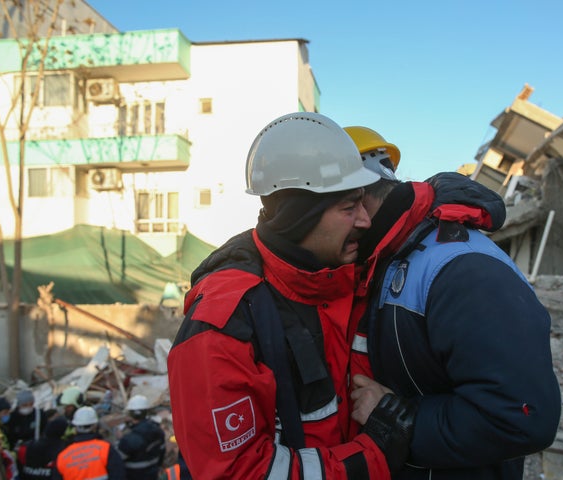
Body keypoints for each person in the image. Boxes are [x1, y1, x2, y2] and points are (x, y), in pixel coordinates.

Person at [167, 112, 417, 480]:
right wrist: (373, 454)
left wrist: (438, 202)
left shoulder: (339, 273)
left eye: (362, 203)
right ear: (301, 217)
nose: (365, 220)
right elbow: (237, 472)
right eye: (349, 208)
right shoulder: (225, 322)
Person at [343, 125, 562, 480]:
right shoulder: (386, 256)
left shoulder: (463, 270)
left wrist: (395, 417)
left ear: (357, 200)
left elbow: (522, 416)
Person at [52, 407, 125, 480]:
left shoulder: (62, 456)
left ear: (75, 427)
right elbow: (118, 475)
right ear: (95, 426)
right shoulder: (106, 449)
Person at [117, 395, 166, 480]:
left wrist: (120, 440)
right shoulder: (158, 431)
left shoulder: (128, 440)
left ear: (131, 414)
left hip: (134, 475)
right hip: (153, 474)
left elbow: (117, 461)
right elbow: (162, 451)